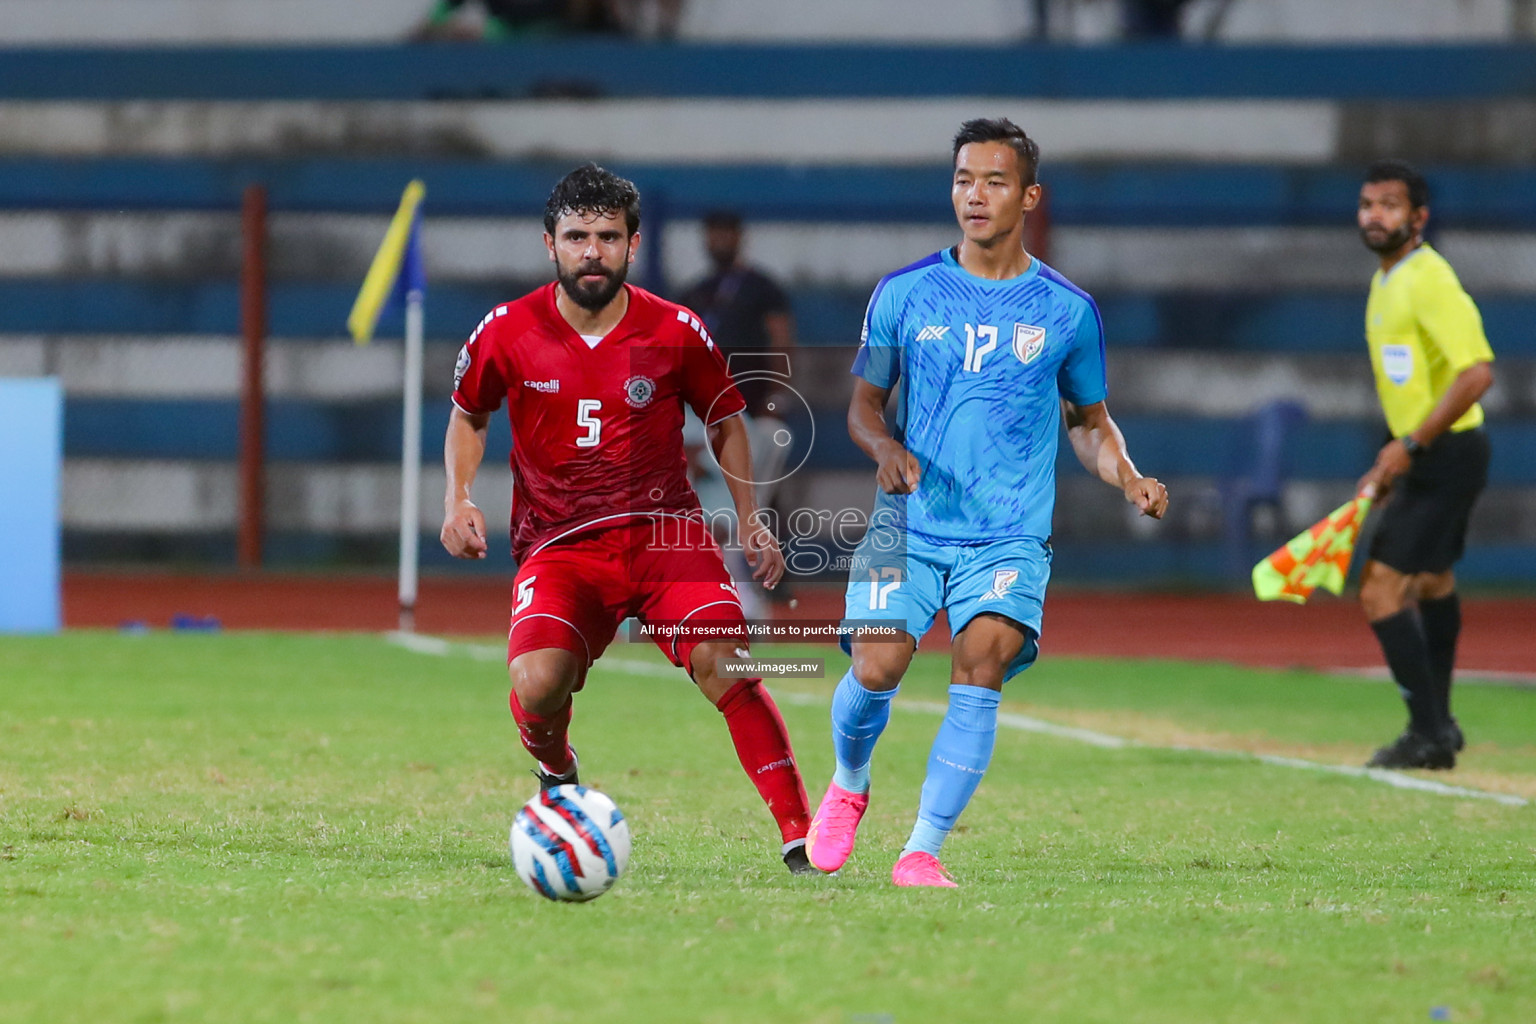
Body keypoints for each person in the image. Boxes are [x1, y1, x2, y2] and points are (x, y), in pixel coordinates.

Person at [805, 118, 1169, 887]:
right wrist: (885, 450)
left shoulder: (1067, 311)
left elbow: (1089, 424)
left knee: (982, 663)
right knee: (876, 665)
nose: (975, 195)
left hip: (1006, 534)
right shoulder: (904, 294)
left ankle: (922, 849)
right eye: (965, 179)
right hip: (908, 521)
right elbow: (863, 408)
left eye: (995, 181)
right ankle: (848, 781)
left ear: (1029, 196)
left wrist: (1127, 475)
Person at [440, 163, 816, 874]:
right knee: (536, 683)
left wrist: (750, 519)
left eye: (607, 237)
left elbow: (728, 420)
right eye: (577, 235)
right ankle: (556, 770)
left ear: (631, 246)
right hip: (561, 547)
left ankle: (802, 835)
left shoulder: (675, 330)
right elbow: (469, 414)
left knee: (729, 664)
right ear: (548, 242)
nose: (592, 251)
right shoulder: (507, 331)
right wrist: (457, 497)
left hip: (665, 537)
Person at [1354, 159, 1495, 771]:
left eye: (1388, 205)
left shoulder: (1429, 277)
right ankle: (1441, 725)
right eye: (1366, 204)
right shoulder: (1386, 280)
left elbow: (1477, 373)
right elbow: (1408, 388)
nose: (1374, 216)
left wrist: (1408, 449)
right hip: (1428, 458)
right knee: (1433, 582)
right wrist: (1395, 461)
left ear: (1419, 217)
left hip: (1449, 454)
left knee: (1380, 591)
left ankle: (1429, 730)